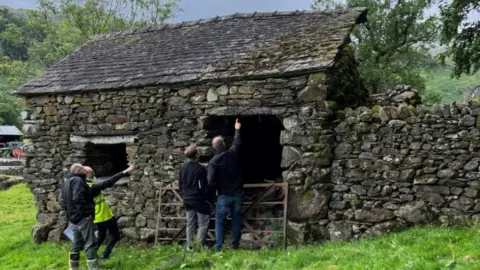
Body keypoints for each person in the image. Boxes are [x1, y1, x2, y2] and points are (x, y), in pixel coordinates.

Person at [83, 164, 135, 260]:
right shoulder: (92, 188)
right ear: (85, 174)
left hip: (96, 217)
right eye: (91, 172)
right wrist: (126, 170)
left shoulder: (83, 185)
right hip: (104, 216)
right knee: (115, 235)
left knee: (101, 236)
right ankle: (104, 255)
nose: (94, 173)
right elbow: (109, 181)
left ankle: (91, 253)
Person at [207, 118, 242, 252]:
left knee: (220, 221)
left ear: (214, 147)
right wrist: (237, 129)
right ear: (224, 144)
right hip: (238, 193)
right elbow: (237, 142)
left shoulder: (213, 162)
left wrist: (213, 192)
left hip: (223, 195)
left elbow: (210, 181)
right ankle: (235, 246)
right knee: (236, 220)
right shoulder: (232, 153)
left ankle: (219, 248)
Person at [60, 163, 100, 270]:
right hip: (82, 218)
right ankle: (94, 268)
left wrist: (70, 215)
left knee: (76, 243)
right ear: (78, 170)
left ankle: (74, 267)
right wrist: (86, 214)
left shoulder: (66, 183)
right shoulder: (78, 181)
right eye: (83, 169)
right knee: (91, 242)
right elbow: (78, 198)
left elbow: (62, 201)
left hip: (73, 219)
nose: (86, 171)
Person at [179, 144, 213, 249]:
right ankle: (197, 247)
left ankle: (189, 247)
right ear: (197, 154)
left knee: (190, 223)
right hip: (197, 199)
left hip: (187, 199)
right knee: (203, 223)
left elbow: (180, 184)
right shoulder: (200, 168)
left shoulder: (183, 167)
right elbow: (203, 186)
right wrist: (208, 198)